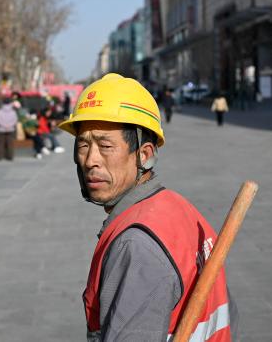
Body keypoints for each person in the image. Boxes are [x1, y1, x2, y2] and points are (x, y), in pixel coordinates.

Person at [58, 73, 236, 341]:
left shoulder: (136, 245)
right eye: (83, 145)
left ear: (145, 155)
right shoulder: (179, 207)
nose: (90, 160)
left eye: (106, 146)